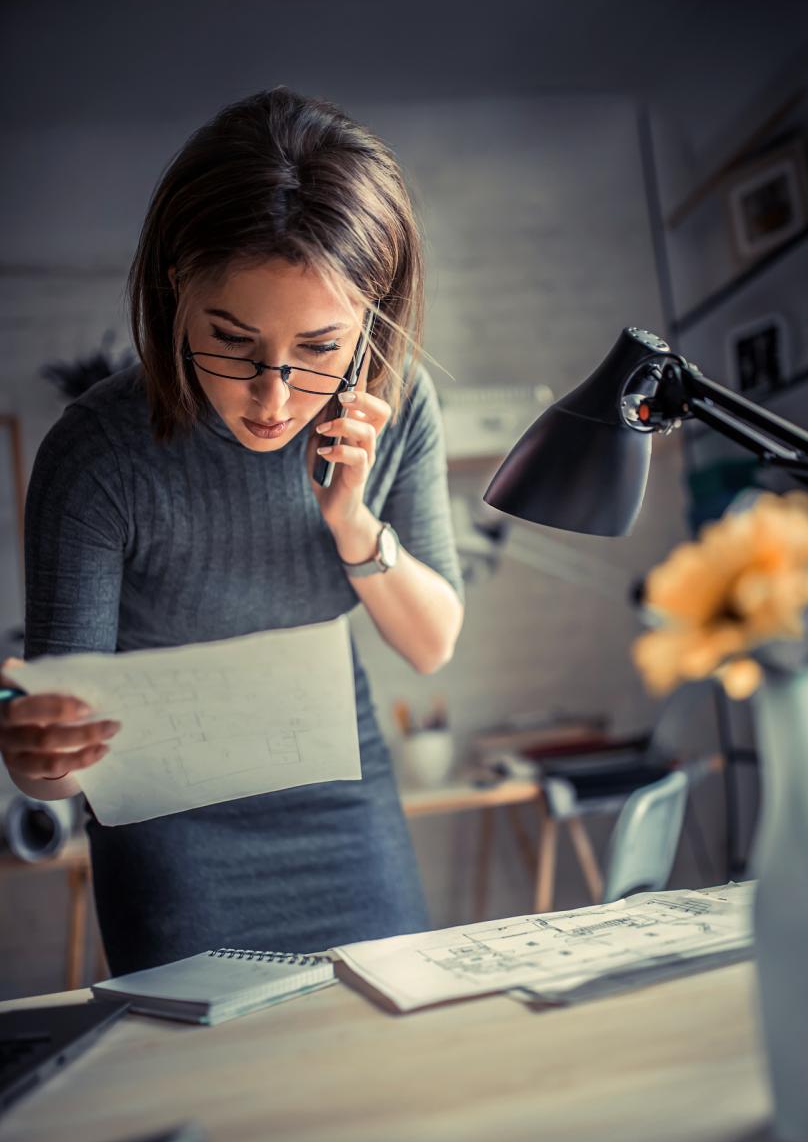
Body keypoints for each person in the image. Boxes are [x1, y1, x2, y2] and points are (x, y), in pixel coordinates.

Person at [0, 86, 464, 974]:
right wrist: (34, 753)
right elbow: (55, 771)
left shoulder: (396, 405)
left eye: (320, 349)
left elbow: (433, 643)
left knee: (386, 1050)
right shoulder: (97, 454)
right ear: (177, 284)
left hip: (342, 799)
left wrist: (349, 516)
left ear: (373, 310)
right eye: (233, 343)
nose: (275, 398)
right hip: (167, 824)